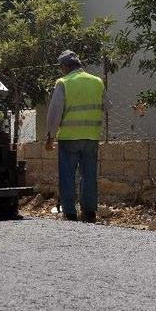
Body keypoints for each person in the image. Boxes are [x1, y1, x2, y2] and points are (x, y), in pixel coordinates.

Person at [45, 50, 110, 223]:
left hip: (68, 138)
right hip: (91, 137)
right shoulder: (97, 82)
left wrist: (50, 136)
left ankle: (69, 212)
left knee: (67, 175)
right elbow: (107, 106)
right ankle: (89, 212)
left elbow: (55, 112)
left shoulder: (63, 83)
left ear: (64, 67)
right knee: (89, 175)